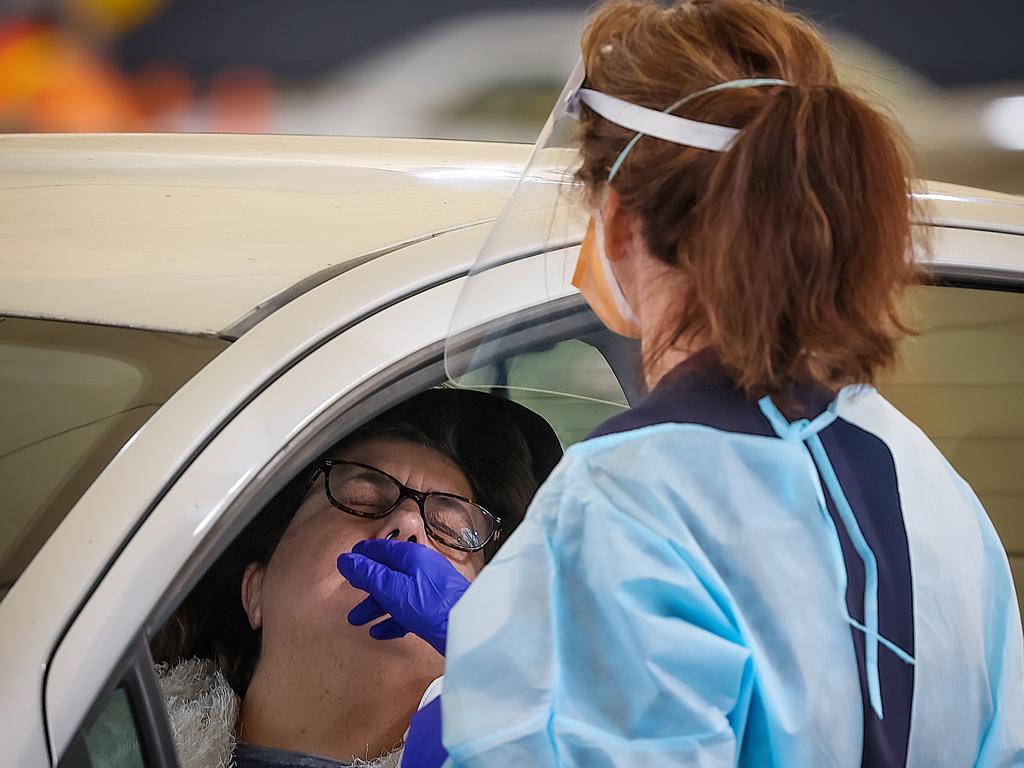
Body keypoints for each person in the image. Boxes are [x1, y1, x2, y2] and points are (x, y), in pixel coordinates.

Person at [356, 1, 1024, 766]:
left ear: (623, 224)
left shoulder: (629, 495)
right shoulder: (932, 489)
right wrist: (513, 643)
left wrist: (481, 692)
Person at [150, 387, 561, 768]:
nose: (407, 524)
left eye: (452, 528)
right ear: (256, 588)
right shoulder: (110, 732)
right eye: (360, 499)